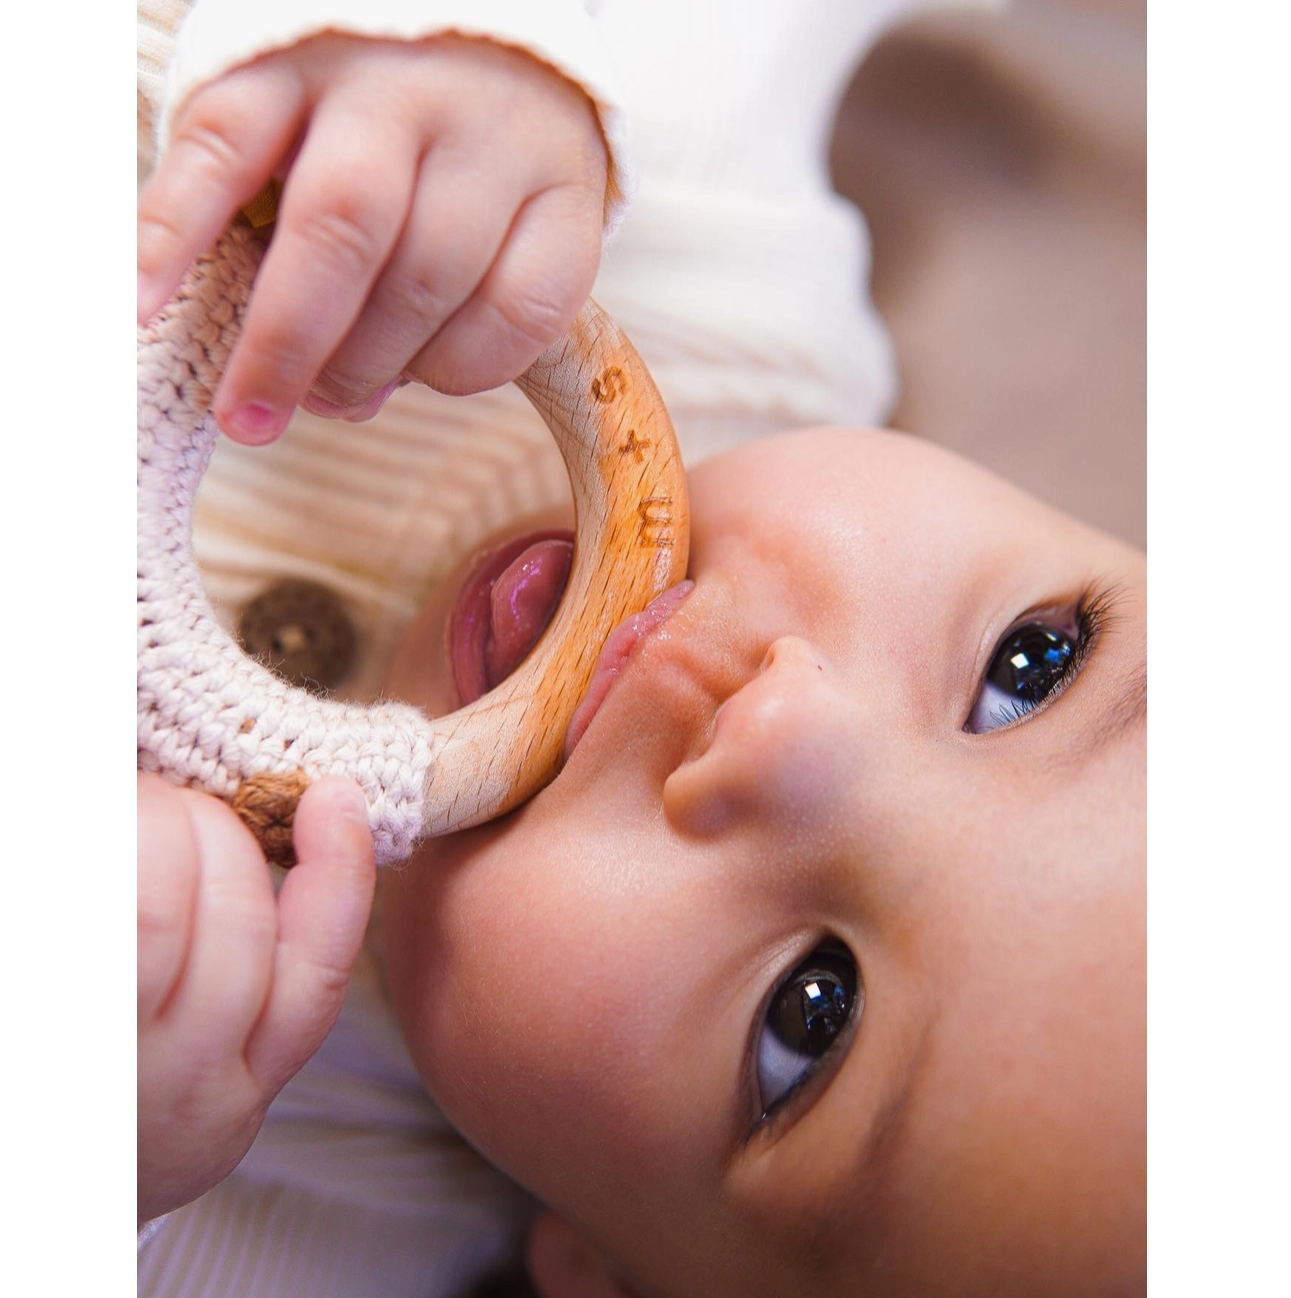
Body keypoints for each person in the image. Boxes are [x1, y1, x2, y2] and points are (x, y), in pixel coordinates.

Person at [137, 1, 1144, 1293]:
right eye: (1028, 668)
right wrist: (472, 51)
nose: (781, 726)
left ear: (608, 1273)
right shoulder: (705, 254)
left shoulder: (264, 1202)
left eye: (808, 1015)